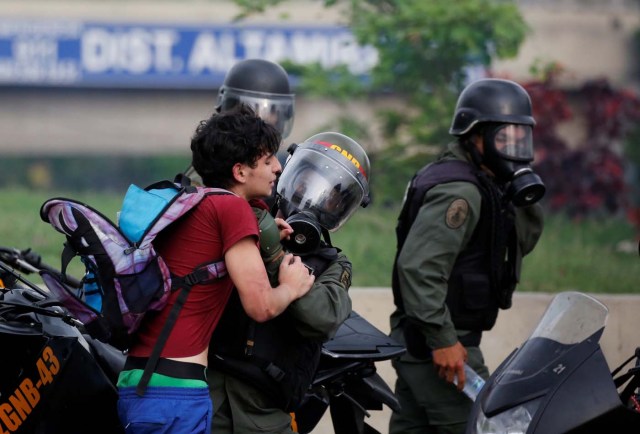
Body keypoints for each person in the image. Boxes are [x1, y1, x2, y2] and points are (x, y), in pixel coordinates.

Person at [116, 104, 315, 434]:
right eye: (268, 160)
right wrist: (292, 286)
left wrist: (255, 236)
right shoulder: (232, 209)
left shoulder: (193, 202)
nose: (278, 167)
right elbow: (261, 305)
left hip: (140, 380)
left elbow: (198, 261)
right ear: (240, 172)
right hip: (175, 393)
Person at [388, 78, 545, 434]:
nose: (515, 147)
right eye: (504, 137)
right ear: (475, 137)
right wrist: (443, 340)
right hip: (440, 348)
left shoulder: (486, 184)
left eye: (522, 137)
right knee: (491, 428)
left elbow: (516, 245)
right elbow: (419, 268)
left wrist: (520, 196)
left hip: (427, 344)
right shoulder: (460, 192)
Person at [208, 132, 372, 433]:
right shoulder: (242, 221)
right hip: (208, 394)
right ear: (287, 176)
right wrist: (264, 236)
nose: (317, 199)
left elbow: (322, 318)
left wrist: (276, 258)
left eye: (333, 197)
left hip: (266, 410)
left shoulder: (332, 263)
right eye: (306, 183)